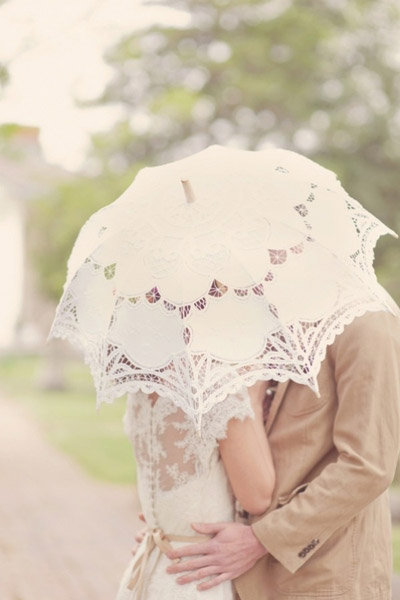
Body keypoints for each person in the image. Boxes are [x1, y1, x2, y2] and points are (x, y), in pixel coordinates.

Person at [166, 310, 400, 600]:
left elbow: (367, 466)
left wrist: (261, 539)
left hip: (324, 580)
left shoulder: (367, 322)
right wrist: (177, 518)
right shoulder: (268, 317)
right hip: (240, 577)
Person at [115, 380, 276, 599]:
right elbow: (258, 497)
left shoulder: (143, 386)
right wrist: (253, 403)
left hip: (151, 569)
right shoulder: (223, 391)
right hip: (198, 580)